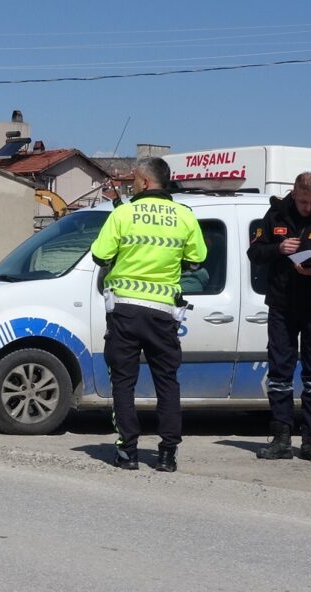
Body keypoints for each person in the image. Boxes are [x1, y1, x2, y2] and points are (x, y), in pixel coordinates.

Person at [90, 157, 207, 472]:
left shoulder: (124, 213)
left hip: (125, 311)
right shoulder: (185, 216)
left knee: (123, 382)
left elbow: (100, 255)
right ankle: (167, 454)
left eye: (135, 180)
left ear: (143, 181)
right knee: (167, 382)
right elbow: (198, 260)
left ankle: (127, 452)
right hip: (163, 314)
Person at [246, 172, 311, 462]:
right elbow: (254, 253)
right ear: (294, 194)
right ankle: (281, 437)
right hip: (282, 306)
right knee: (280, 373)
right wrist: (278, 248)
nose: (308, 207)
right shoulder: (276, 215)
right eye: (303, 201)